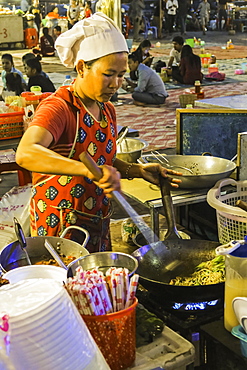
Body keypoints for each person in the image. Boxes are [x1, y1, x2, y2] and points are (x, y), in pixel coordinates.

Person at [15, 13, 181, 253]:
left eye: (121, 74)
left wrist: (136, 170)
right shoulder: (59, 107)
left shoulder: (106, 109)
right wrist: (86, 170)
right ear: (82, 67)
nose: (116, 84)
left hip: (97, 222)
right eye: (108, 74)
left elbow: (103, 158)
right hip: (62, 230)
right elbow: (26, 153)